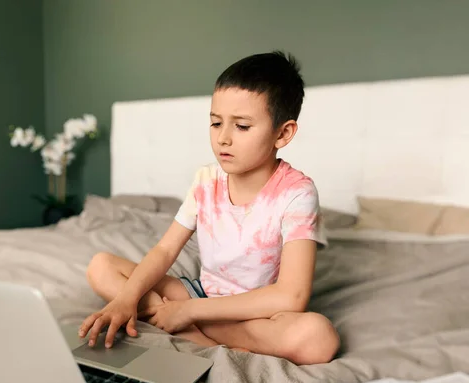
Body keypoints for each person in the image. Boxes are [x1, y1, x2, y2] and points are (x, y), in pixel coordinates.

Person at [79, 51, 340, 365]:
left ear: (282, 133)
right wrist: (126, 300)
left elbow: (292, 297)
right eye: (216, 123)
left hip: (255, 314)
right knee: (101, 266)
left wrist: (188, 312)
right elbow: (164, 251)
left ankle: (186, 328)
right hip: (201, 294)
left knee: (318, 337)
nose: (223, 139)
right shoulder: (205, 180)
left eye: (242, 127)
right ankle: (198, 335)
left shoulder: (296, 192)